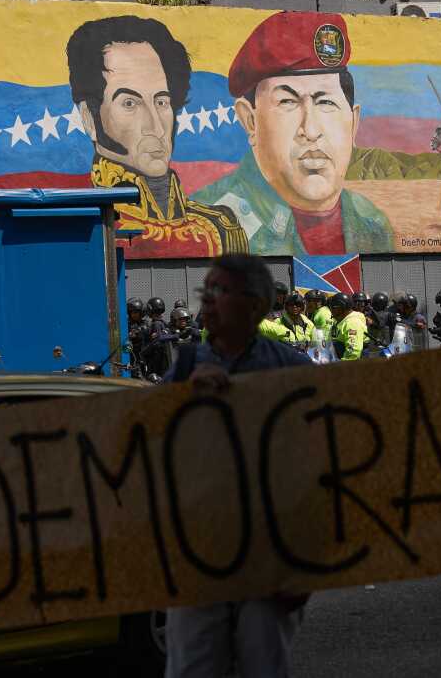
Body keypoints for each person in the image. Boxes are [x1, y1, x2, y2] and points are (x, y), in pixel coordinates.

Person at [162, 254, 310, 677]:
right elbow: (154, 451)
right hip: (199, 552)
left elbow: (315, 471)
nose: (207, 302)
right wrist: (182, 402)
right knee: (193, 665)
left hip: (270, 556)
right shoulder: (185, 366)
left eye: (220, 291)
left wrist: (305, 565)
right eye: (204, 292)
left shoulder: (292, 370)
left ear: (256, 305)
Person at [193, 12, 393, 254]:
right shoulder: (207, 226)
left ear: (353, 123)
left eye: (326, 103)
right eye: (288, 102)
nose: (310, 130)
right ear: (250, 121)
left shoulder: (372, 222)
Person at [67, 15, 248, 258]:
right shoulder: (82, 226)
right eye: (129, 103)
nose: (155, 126)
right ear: (89, 118)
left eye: (162, 101)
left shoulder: (219, 228)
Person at [328, 292, 367, 361]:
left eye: (333, 308)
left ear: (342, 308)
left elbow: (353, 351)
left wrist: (342, 366)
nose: (331, 310)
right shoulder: (341, 321)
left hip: (351, 366)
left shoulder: (352, 323)